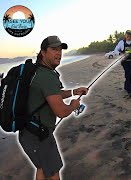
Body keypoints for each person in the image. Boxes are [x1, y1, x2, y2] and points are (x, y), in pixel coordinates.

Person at [18, 35, 88, 179]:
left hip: (28, 132)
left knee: (43, 168)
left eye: (60, 50)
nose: (59, 53)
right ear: (43, 52)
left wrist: (74, 91)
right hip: (39, 136)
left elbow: (52, 95)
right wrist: (73, 105)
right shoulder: (46, 76)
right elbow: (61, 111)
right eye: (54, 49)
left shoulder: (39, 71)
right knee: (54, 172)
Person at [114, 30, 131, 97]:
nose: (128, 36)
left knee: (130, 75)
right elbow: (115, 50)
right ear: (125, 35)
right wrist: (120, 53)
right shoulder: (121, 43)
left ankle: (126, 86)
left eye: (130, 35)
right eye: (127, 35)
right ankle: (130, 91)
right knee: (128, 73)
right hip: (125, 62)